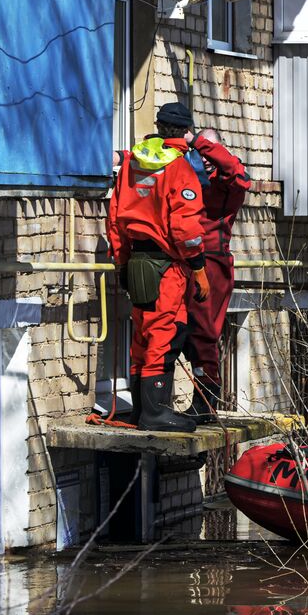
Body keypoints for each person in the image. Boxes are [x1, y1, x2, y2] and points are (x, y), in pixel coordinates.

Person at [107, 101, 210, 432]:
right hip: (167, 266)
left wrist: (122, 264)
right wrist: (198, 269)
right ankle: (155, 412)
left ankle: (141, 410)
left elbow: (116, 218)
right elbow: (186, 228)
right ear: (184, 132)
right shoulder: (180, 169)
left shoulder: (132, 164)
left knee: (143, 333)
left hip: (136, 261)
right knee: (165, 333)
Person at [179, 125, 253, 423]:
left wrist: (198, 142)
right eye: (199, 151)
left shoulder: (227, 182)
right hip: (183, 262)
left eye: (209, 150)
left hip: (212, 264)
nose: (204, 157)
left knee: (204, 333)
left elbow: (239, 175)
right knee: (178, 331)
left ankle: (206, 400)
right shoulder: (189, 174)